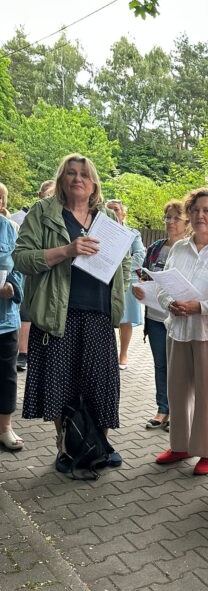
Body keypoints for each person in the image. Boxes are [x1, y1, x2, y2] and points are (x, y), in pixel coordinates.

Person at [13, 153, 130, 471]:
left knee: (101, 388)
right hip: (57, 317)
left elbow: (124, 261)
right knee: (61, 387)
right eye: (71, 173)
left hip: (99, 316)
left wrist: (119, 293)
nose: (78, 178)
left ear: (94, 184)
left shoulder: (106, 217)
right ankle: (66, 449)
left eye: (84, 174)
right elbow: (22, 258)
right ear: (62, 179)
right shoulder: (43, 212)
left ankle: (98, 447)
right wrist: (67, 250)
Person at [154, 187, 208, 475]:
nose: (200, 215)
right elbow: (162, 285)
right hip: (179, 328)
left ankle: (207, 450)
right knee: (177, 392)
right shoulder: (178, 248)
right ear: (189, 216)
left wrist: (200, 307)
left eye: (207, 210)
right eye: (195, 210)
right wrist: (169, 303)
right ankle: (180, 446)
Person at [132, 200, 188, 430]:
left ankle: (179, 413)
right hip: (155, 317)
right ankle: (162, 409)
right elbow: (144, 276)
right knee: (160, 365)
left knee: (179, 368)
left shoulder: (188, 250)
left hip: (179, 317)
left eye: (176, 218)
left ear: (187, 222)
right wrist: (139, 288)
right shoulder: (156, 247)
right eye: (167, 217)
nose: (170, 222)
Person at [17, 181, 55, 374]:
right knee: (26, 312)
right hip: (31, 276)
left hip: (54, 283)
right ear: (40, 195)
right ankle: (23, 352)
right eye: (47, 195)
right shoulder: (32, 214)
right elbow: (21, 255)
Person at [105, 199, 144, 370]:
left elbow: (140, 255)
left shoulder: (133, 234)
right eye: (109, 209)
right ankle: (107, 354)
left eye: (116, 209)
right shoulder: (99, 231)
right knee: (105, 317)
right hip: (104, 278)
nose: (113, 212)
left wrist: (119, 268)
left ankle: (123, 354)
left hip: (128, 280)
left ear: (123, 214)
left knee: (125, 319)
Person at [0, 215, 24, 451]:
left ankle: (5, 427)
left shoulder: (8, 228)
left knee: (6, 376)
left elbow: (19, 267)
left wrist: (12, 287)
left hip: (4, 318)